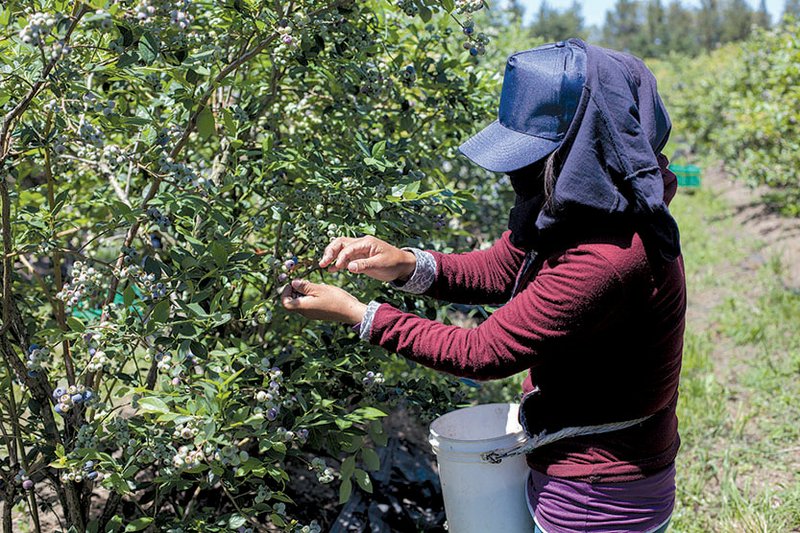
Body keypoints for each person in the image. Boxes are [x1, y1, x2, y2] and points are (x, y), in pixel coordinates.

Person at [282, 38, 685, 533]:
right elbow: (501, 268)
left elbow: (482, 352)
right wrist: (406, 264)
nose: (522, 173)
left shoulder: (607, 257)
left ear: (584, 146)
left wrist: (358, 314)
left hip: (597, 497)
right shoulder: (597, 204)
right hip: (577, 466)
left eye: (535, 156)